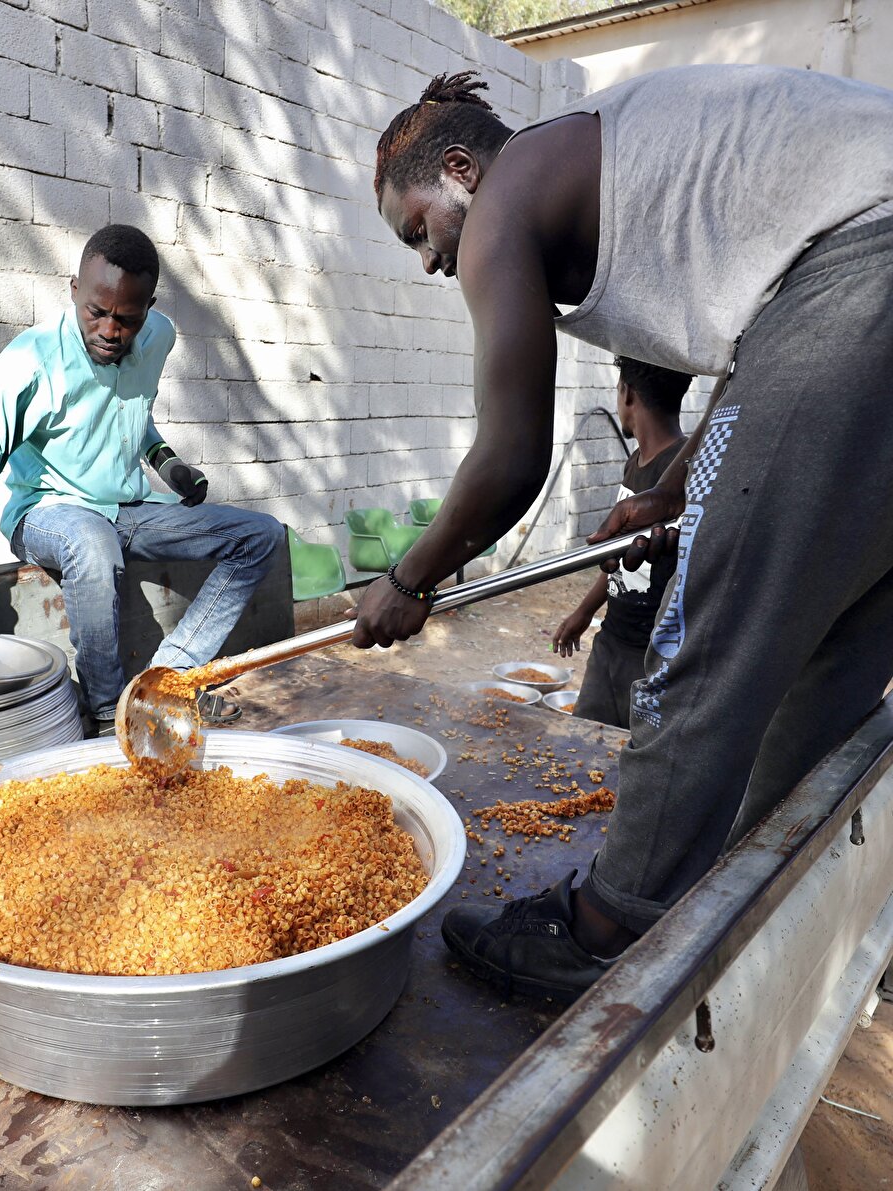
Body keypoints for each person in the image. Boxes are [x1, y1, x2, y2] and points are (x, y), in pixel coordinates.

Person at [356, 65, 893, 1002]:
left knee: (704, 639)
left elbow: (512, 456)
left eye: (419, 230)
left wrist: (409, 580)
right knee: (834, 656)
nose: (433, 261)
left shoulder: (504, 202)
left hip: (862, 266)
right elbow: (756, 369)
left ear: (459, 171)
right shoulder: (623, 159)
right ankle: (769, 906)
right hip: (849, 282)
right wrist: (672, 491)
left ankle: (608, 925)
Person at [0, 224, 285, 735]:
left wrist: (169, 465)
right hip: (46, 512)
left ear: (148, 308)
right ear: (74, 289)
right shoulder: (28, 363)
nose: (109, 330)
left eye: (126, 318)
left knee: (261, 536)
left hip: (126, 509)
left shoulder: (159, 337)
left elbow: (131, 416)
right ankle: (108, 714)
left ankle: (164, 686)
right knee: (92, 542)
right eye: (96, 312)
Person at [551, 357, 690, 728]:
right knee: (585, 743)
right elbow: (619, 555)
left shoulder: (684, 469)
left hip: (652, 653)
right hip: (613, 637)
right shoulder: (635, 463)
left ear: (626, 393)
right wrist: (585, 612)